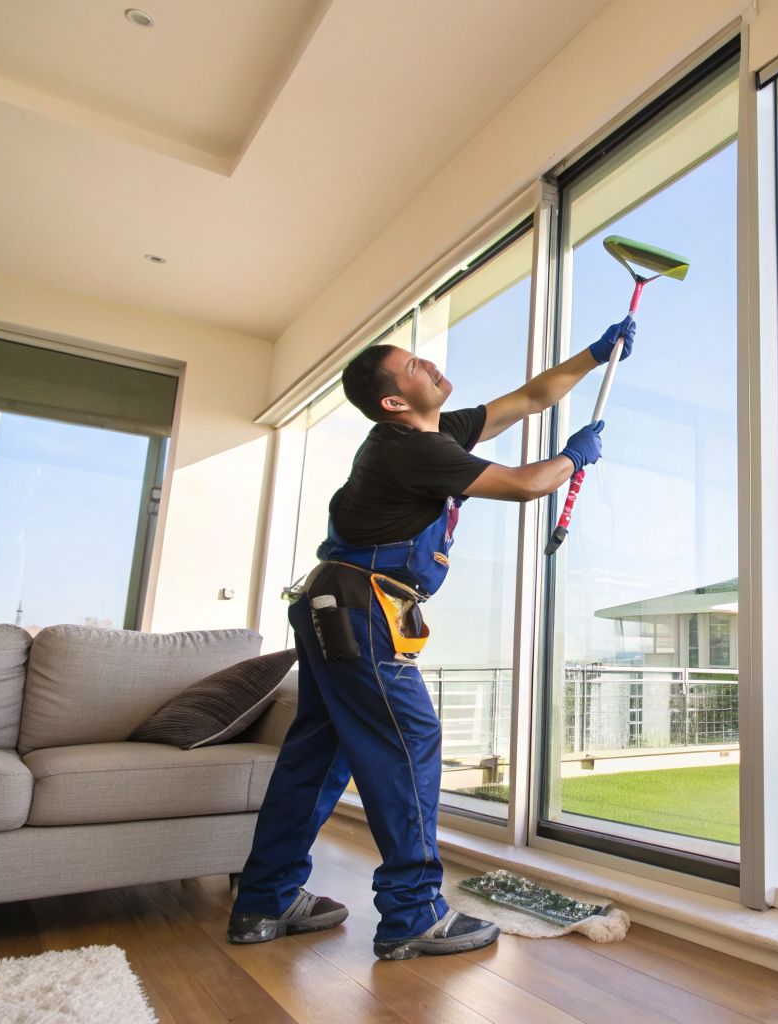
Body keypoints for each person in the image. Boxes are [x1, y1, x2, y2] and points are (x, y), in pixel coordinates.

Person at [227, 318, 634, 961]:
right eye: (414, 365)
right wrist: (574, 457)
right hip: (357, 612)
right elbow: (528, 484)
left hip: (336, 605)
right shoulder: (408, 450)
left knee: (318, 755)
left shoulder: (437, 432)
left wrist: (594, 353)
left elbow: (529, 399)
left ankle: (264, 900)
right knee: (409, 741)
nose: (430, 365)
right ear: (394, 401)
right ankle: (414, 914)